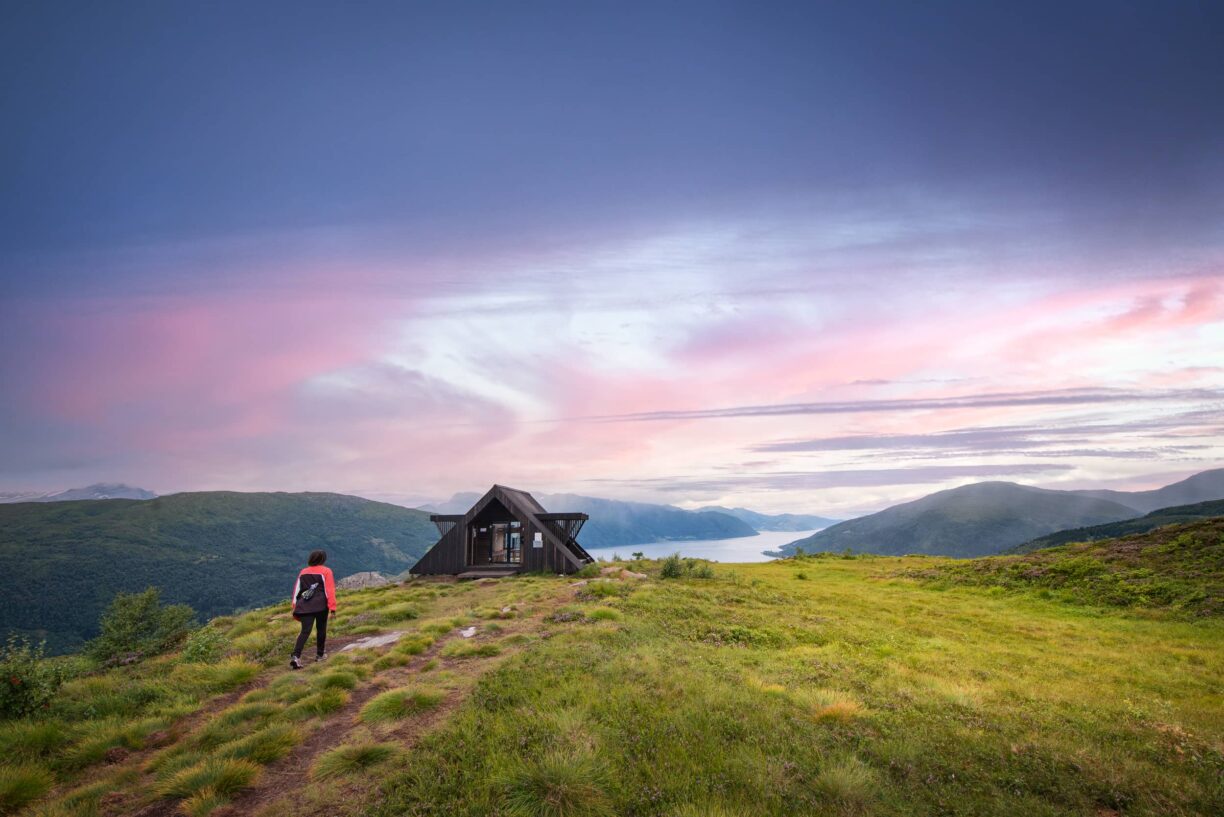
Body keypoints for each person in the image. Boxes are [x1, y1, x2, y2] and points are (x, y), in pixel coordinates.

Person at [290, 549, 336, 669]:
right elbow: (329, 591)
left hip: (304, 606)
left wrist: (295, 606)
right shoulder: (326, 571)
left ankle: (296, 656)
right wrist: (332, 608)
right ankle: (320, 655)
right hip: (321, 606)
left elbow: (297, 590)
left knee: (305, 632)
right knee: (321, 629)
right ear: (323, 559)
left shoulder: (303, 572)